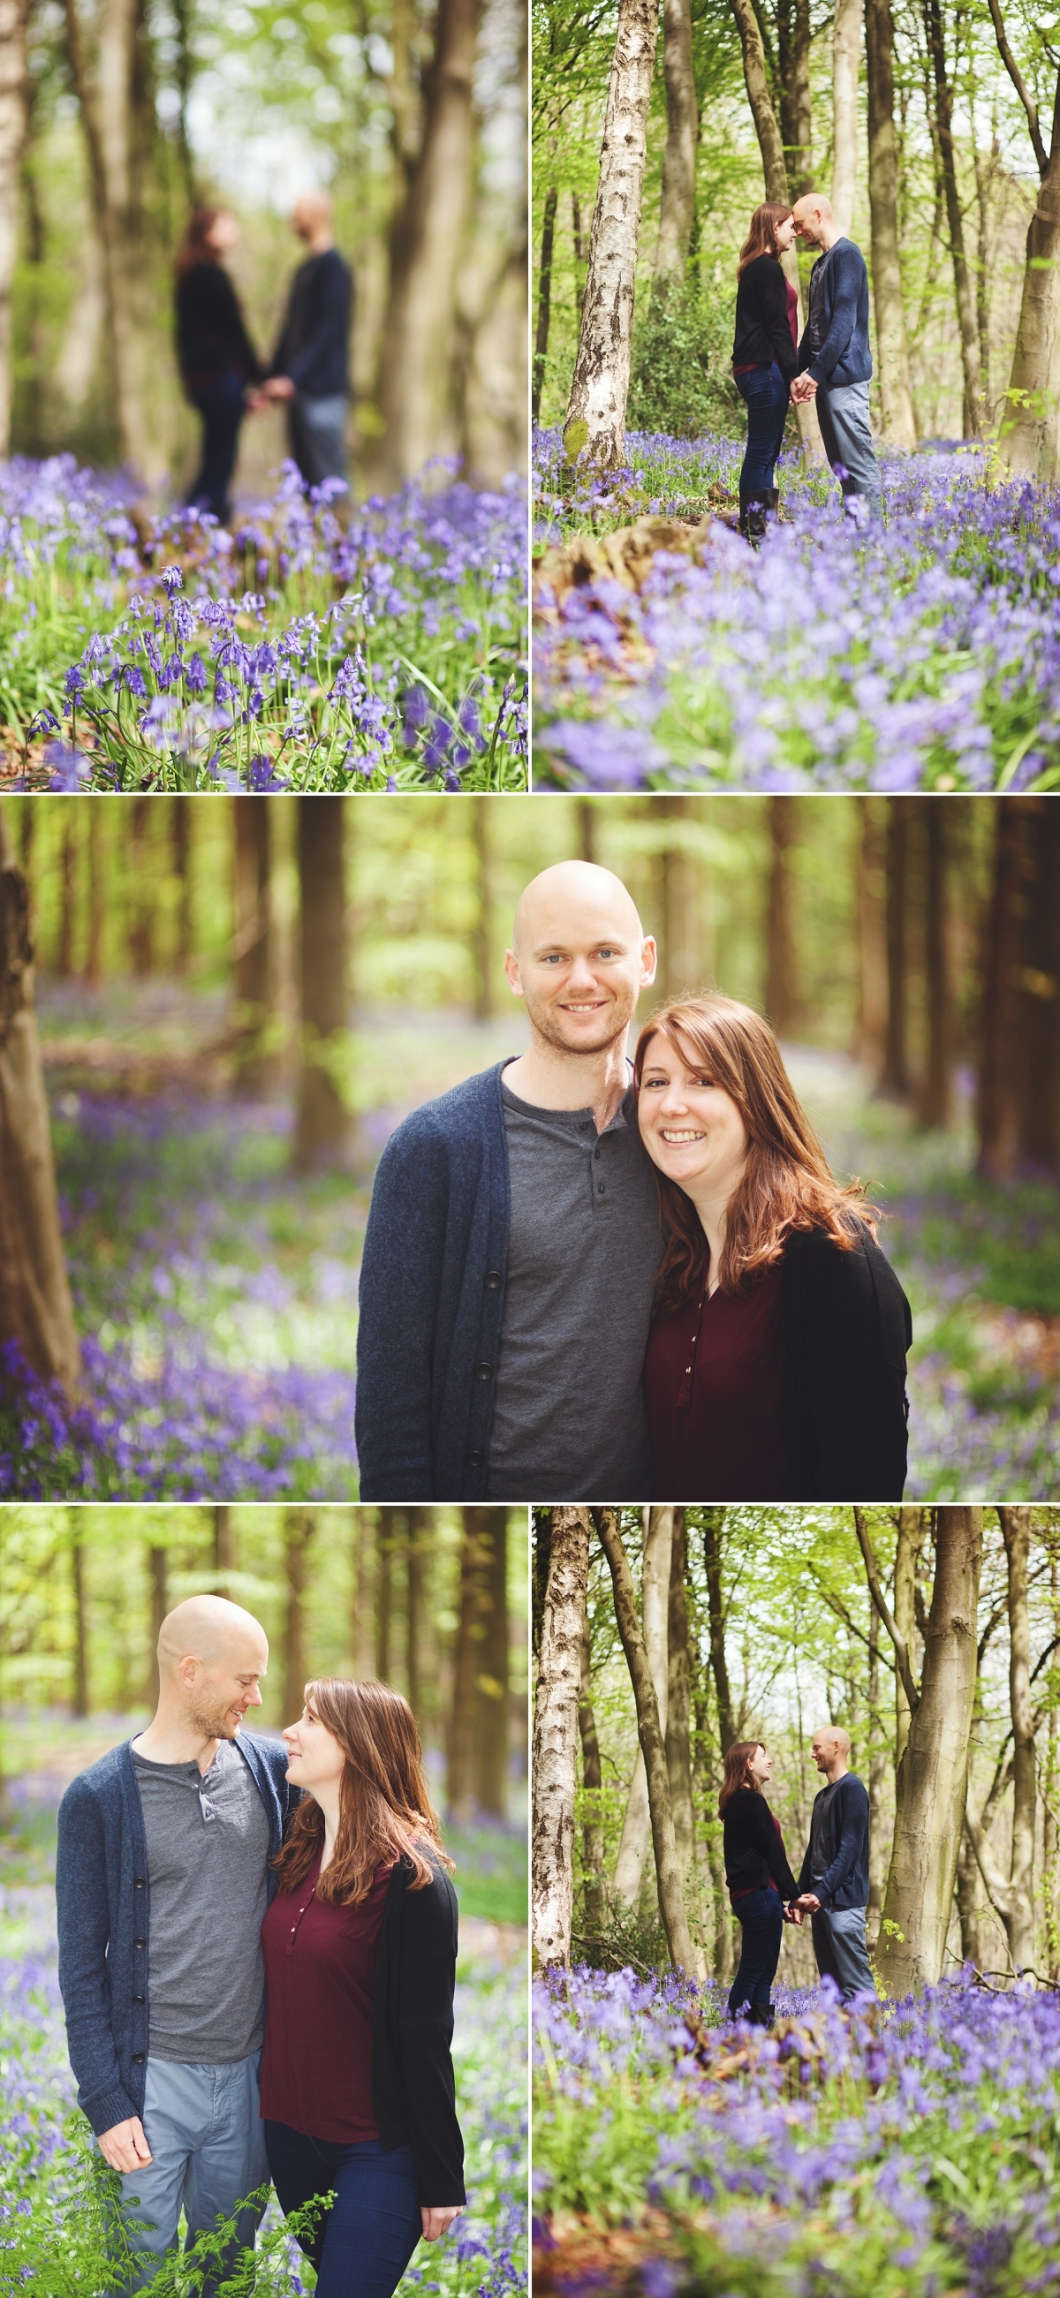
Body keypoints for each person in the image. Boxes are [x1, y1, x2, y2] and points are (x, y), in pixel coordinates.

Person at [356, 859, 663, 1502]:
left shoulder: (679, 1135)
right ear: (515, 973)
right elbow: (392, 1400)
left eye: (605, 951)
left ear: (645, 960)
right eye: (553, 958)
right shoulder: (434, 1149)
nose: (581, 979)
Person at [55, 1596, 297, 2294]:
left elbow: (364, 1797)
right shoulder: (97, 1798)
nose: (257, 1697)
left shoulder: (273, 1771)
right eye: (245, 1680)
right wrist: (106, 2101)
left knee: (229, 2273)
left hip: (249, 2080)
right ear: (190, 1671)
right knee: (138, 2278)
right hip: (148, 2085)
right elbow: (80, 1967)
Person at [635, 993, 912, 1501]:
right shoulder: (673, 1251)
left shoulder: (831, 1256)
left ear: (755, 1098)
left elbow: (866, 1477)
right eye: (655, 1082)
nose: (671, 1104)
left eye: (703, 1080)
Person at [261, 1678, 464, 2298]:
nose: (289, 1732)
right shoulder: (296, 1847)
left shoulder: (413, 1879)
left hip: (378, 2151)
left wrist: (442, 2176)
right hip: (289, 2138)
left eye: (311, 1720)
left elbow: (426, 2036)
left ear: (357, 1745)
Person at [790, 193, 882, 528]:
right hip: (826, 379)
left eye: (800, 224)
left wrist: (813, 374)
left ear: (818, 214)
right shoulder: (820, 264)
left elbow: (843, 325)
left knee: (858, 461)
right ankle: (858, 531)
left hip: (846, 379)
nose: (798, 232)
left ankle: (875, 539)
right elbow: (814, 328)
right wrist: (798, 374)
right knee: (840, 464)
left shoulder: (847, 256)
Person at [175, 208, 264, 523]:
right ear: (208, 233)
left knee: (214, 456)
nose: (234, 231)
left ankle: (189, 526)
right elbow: (235, 333)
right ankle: (204, 524)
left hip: (204, 381)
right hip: (221, 380)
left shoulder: (188, 274)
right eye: (226, 225)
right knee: (220, 460)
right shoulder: (211, 276)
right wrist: (260, 377)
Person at [263, 191, 353, 490]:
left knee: (329, 482)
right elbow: (290, 331)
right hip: (298, 393)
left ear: (318, 215)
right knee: (305, 485)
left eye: (297, 215)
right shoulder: (304, 270)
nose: (292, 222)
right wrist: (271, 379)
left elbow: (327, 332)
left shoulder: (334, 269)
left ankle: (344, 536)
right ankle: (315, 537)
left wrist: (292, 378)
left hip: (323, 393)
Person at [719, 1740, 801, 2026]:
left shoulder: (742, 1802)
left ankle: (758, 2041)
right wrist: (795, 1895)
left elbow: (763, 1854)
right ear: (749, 1764)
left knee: (764, 1972)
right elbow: (772, 1850)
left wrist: (782, 1898)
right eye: (764, 1756)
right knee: (753, 1971)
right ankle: (734, 2037)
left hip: (762, 1897)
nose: (771, 1761)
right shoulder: (748, 1800)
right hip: (758, 1896)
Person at [731, 202, 799, 545]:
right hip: (763, 369)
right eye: (789, 226)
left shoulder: (758, 268)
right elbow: (778, 328)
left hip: (759, 369)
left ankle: (763, 529)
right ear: (773, 228)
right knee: (760, 452)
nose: (794, 231)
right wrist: (795, 374)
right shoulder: (767, 270)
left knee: (768, 451)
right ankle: (754, 534)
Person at [794, 1725, 876, 2004]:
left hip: (843, 1904)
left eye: (817, 1747)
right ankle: (842, 2046)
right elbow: (813, 1853)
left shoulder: (852, 1789)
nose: (812, 1753)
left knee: (857, 1987)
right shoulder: (821, 1797)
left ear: (836, 1746)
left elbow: (849, 1851)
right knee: (833, 1991)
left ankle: (872, 2046)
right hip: (821, 1903)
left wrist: (820, 1893)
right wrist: (798, 1896)